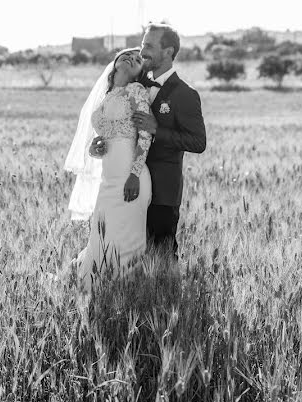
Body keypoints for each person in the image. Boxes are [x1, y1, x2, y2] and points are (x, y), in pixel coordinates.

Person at [90, 23, 206, 262]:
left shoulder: (185, 94)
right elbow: (120, 128)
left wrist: (157, 129)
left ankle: (167, 297)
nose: (142, 52)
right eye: (142, 45)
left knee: (161, 254)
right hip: (124, 181)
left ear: (168, 51)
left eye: (149, 46)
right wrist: (99, 146)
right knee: (122, 246)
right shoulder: (135, 83)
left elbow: (198, 142)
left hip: (162, 189)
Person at [63, 48, 153, 292]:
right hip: (108, 179)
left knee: (126, 241)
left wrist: (134, 175)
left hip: (131, 178)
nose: (131, 58)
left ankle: (126, 293)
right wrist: (96, 148)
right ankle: (96, 289)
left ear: (139, 72)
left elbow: (145, 136)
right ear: (115, 63)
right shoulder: (106, 97)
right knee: (101, 236)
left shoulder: (136, 91)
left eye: (137, 60)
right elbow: (104, 140)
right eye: (127, 55)